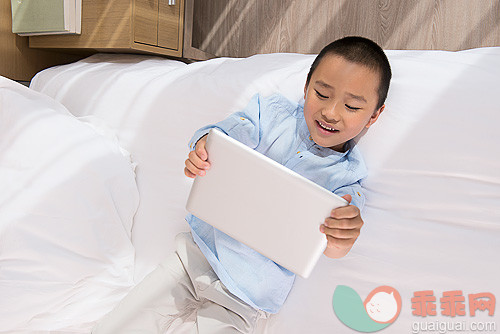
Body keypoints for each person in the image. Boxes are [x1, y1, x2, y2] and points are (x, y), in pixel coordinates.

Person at [92, 36, 392, 334]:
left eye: (352, 106)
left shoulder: (347, 179)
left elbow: (335, 247)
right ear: (306, 86)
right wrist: (205, 147)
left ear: (374, 116)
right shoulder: (271, 114)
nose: (331, 112)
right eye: (322, 94)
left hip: (247, 295)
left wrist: (342, 236)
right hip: (194, 257)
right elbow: (227, 134)